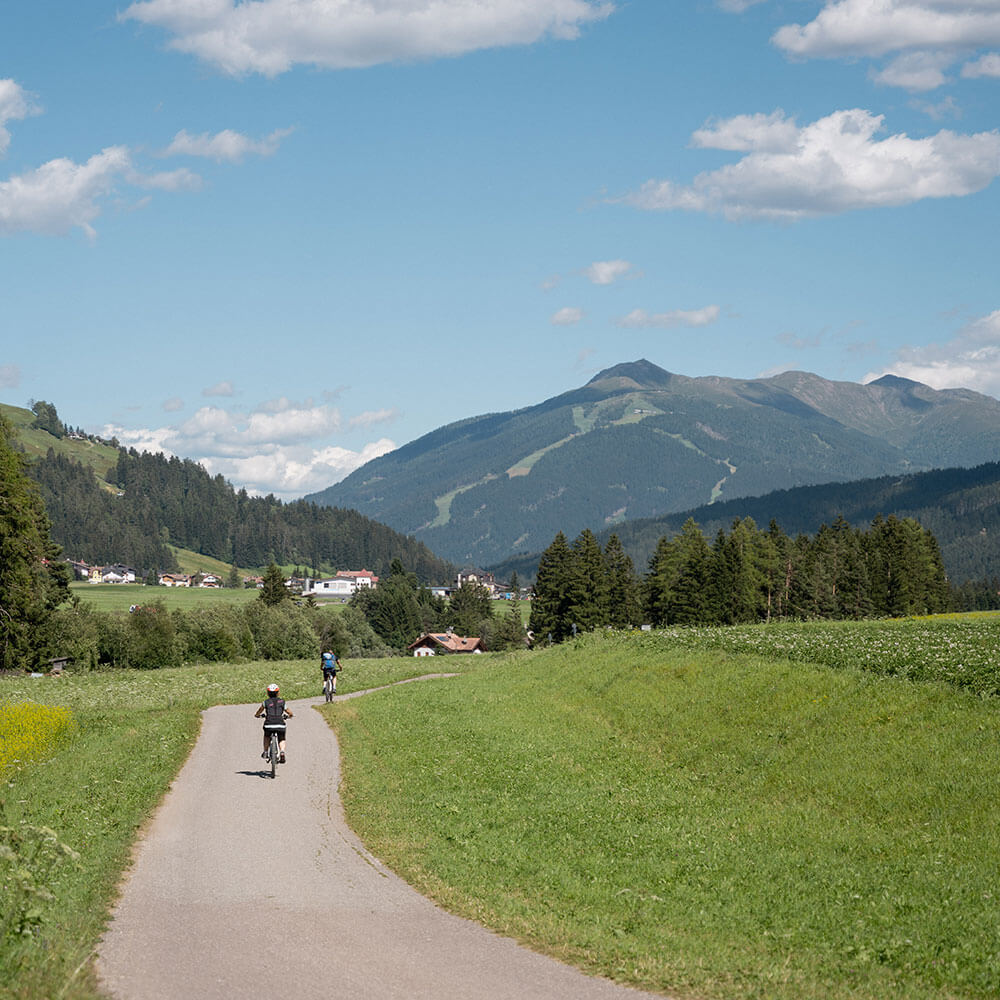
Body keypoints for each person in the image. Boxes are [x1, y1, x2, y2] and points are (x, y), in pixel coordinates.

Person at [255, 683, 292, 763]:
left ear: (268, 693)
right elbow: (288, 711)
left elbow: (260, 710)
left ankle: (265, 751)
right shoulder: (282, 702)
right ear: (278, 692)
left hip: (269, 724)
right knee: (281, 738)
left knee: (266, 736)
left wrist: (257, 715)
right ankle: (282, 751)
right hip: (280, 724)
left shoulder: (266, 702)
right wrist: (290, 715)